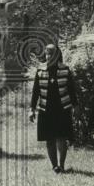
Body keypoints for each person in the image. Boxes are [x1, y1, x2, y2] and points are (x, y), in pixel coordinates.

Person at [30, 43, 77, 173]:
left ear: (57, 55)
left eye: (51, 53)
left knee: (62, 137)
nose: (49, 55)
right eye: (47, 53)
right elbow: (35, 92)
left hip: (62, 109)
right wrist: (31, 109)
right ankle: (54, 166)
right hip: (46, 109)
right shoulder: (40, 71)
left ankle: (61, 165)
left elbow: (72, 90)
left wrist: (76, 106)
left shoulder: (65, 70)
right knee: (49, 139)